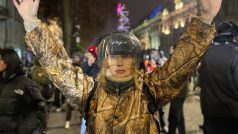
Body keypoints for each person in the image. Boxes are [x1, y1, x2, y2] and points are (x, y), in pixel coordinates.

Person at [13, 0, 221, 133]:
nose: (120, 62)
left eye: (126, 57)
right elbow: (58, 68)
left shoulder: (150, 90)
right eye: (114, 57)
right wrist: (31, 22)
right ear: (105, 62)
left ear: (135, 61)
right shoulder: (89, 93)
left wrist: (205, 20)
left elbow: (180, 65)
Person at [199, 21, 238, 134]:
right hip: (231, 119)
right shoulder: (235, 55)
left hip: (210, 116)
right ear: (233, 37)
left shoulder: (206, 54)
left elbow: (202, 82)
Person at [0, 48, 46, 134]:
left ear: (10, 60)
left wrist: (24, 130)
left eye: (1, 59)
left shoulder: (25, 83)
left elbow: (38, 109)